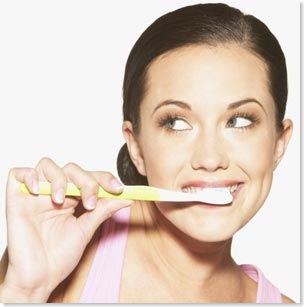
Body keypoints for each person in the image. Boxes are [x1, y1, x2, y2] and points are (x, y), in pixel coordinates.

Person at [0, 2, 295, 303]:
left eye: (239, 121)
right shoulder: (63, 250)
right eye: (176, 123)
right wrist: (24, 292)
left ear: (279, 144)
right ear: (136, 147)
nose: (210, 159)